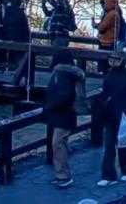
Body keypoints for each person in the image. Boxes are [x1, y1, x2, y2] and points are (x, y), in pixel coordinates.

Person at [96, 56, 126, 186]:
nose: (113, 62)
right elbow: (105, 94)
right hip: (110, 115)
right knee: (109, 146)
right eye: (111, 60)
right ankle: (108, 175)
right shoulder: (109, 76)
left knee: (123, 144)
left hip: (123, 115)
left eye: (116, 60)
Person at [45, 59, 86, 189]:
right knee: (59, 144)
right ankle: (61, 174)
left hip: (63, 116)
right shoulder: (71, 75)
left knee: (57, 144)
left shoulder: (62, 76)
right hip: (65, 115)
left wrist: (49, 105)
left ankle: (64, 176)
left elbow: (63, 96)